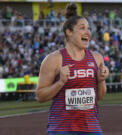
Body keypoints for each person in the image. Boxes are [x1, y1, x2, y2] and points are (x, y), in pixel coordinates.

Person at [36, 3, 109, 135]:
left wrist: (101, 80)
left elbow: (100, 96)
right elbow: (40, 96)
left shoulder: (97, 58)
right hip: (62, 129)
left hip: (91, 128)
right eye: (82, 28)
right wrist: (60, 82)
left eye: (89, 28)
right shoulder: (54, 60)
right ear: (69, 32)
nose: (88, 32)